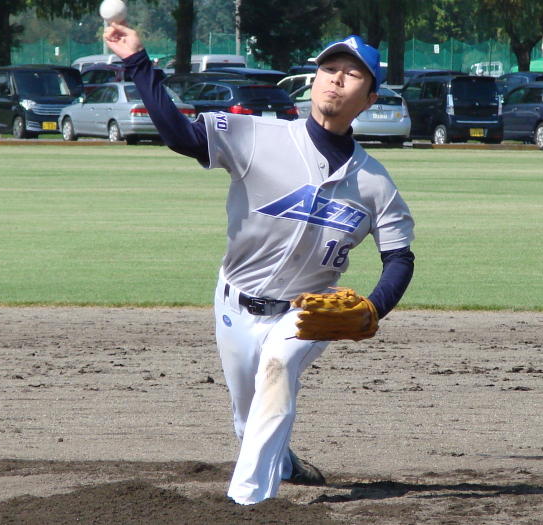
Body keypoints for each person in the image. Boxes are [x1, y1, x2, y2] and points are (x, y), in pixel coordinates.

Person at [104, 24, 415, 505]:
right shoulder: (256, 135)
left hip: (306, 313)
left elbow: (399, 258)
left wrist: (373, 308)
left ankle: (247, 502)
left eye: (352, 75)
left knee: (278, 365)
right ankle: (283, 463)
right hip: (234, 303)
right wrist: (138, 63)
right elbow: (179, 135)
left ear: (370, 98)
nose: (336, 79)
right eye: (329, 69)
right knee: (248, 421)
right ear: (313, 80)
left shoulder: (376, 184)